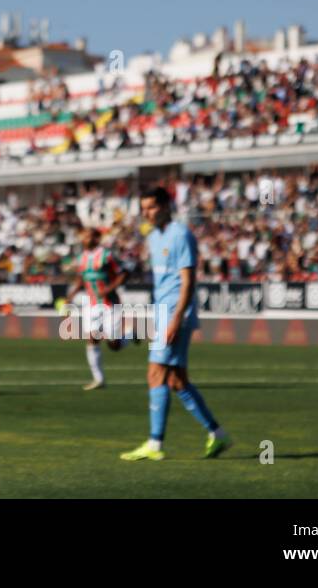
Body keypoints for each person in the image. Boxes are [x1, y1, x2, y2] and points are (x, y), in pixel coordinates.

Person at [120, 186, 231, 462]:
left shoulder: (180, 234)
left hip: (174, 314)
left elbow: (188, 281)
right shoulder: (154, 237)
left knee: (155, 374)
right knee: (177, 380)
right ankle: (218, 434)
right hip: (163, 312)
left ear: (167, 206)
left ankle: (155, 444)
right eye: (144, 208)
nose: (147, 212)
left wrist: (175, 319)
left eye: (152, 207)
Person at [66, 226, 125, 390]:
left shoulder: (107, 256)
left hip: (110, 303)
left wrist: (109, 288)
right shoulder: (81, 258)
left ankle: (130, 335)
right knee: (92, 339)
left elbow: (123, 274)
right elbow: (81, 280)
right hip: (92, 304)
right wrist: (70, 296)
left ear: (97, 238)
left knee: (114, 345)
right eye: (84, 236)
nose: (86, 239)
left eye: (89, 236)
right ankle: (99, 380)